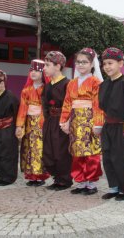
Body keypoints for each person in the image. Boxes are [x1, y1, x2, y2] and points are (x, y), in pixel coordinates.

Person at [60, 48, 104, 195]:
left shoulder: (96, 82)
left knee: (91, 152)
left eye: (84, 62)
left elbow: (98, 104)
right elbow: (67, 103)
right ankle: (80, 181)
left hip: (89, 119)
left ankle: (90, 183)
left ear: (92, 64)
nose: (80, 65)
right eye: (78, 62)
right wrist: (64, 121)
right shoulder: (72, 83)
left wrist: (98, 124)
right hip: (75, 120)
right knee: (77, 151)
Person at [98, 47, 124, 201]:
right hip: (108, 126)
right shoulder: (103, 84)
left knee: (121, 158)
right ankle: (113, 188)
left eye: (110, 63)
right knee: (107, 158)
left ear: (121, 63)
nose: (107, 67)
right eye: (104, 64)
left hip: (122, 126)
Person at [42, 51, 73, 190]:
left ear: (58, 66)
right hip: (50, 121)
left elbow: (70, 104)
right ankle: (56, 177)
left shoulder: (68, 84)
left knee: (61, 150)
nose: (44, 68)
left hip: (62, 121)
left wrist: (66, 121)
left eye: (47, 65)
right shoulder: (47, 85)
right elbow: (45, 105)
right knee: (49, 150)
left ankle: (64, 179)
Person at [17, 59, 50, 186]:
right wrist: (19, 125)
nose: (33, 73)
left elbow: (46, 108)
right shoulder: (26, 90)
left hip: (41, 121)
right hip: (29, 121)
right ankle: (30, 175)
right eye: (32, 70)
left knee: (39, 148)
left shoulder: (46, 89)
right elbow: (22, 108)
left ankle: (40, 175)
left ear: (43, 73)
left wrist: (43, 122)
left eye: (37, 70)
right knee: (28, 147)